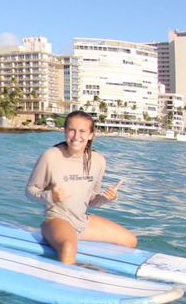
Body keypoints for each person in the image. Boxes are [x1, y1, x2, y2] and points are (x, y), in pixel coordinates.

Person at [25, 110, 137, 265]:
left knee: (130, 241)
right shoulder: (51, 156)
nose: (76, 136)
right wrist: (50, 196)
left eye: (82, 131)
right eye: (72, 130)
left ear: (91, 135)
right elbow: (30, 191)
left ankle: (94, 267)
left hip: (82, 222)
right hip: (56, 219)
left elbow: (92, 200)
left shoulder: (98, 161)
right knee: (68, 248)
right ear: (64, 131)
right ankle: (64, 284)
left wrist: (105, 198)